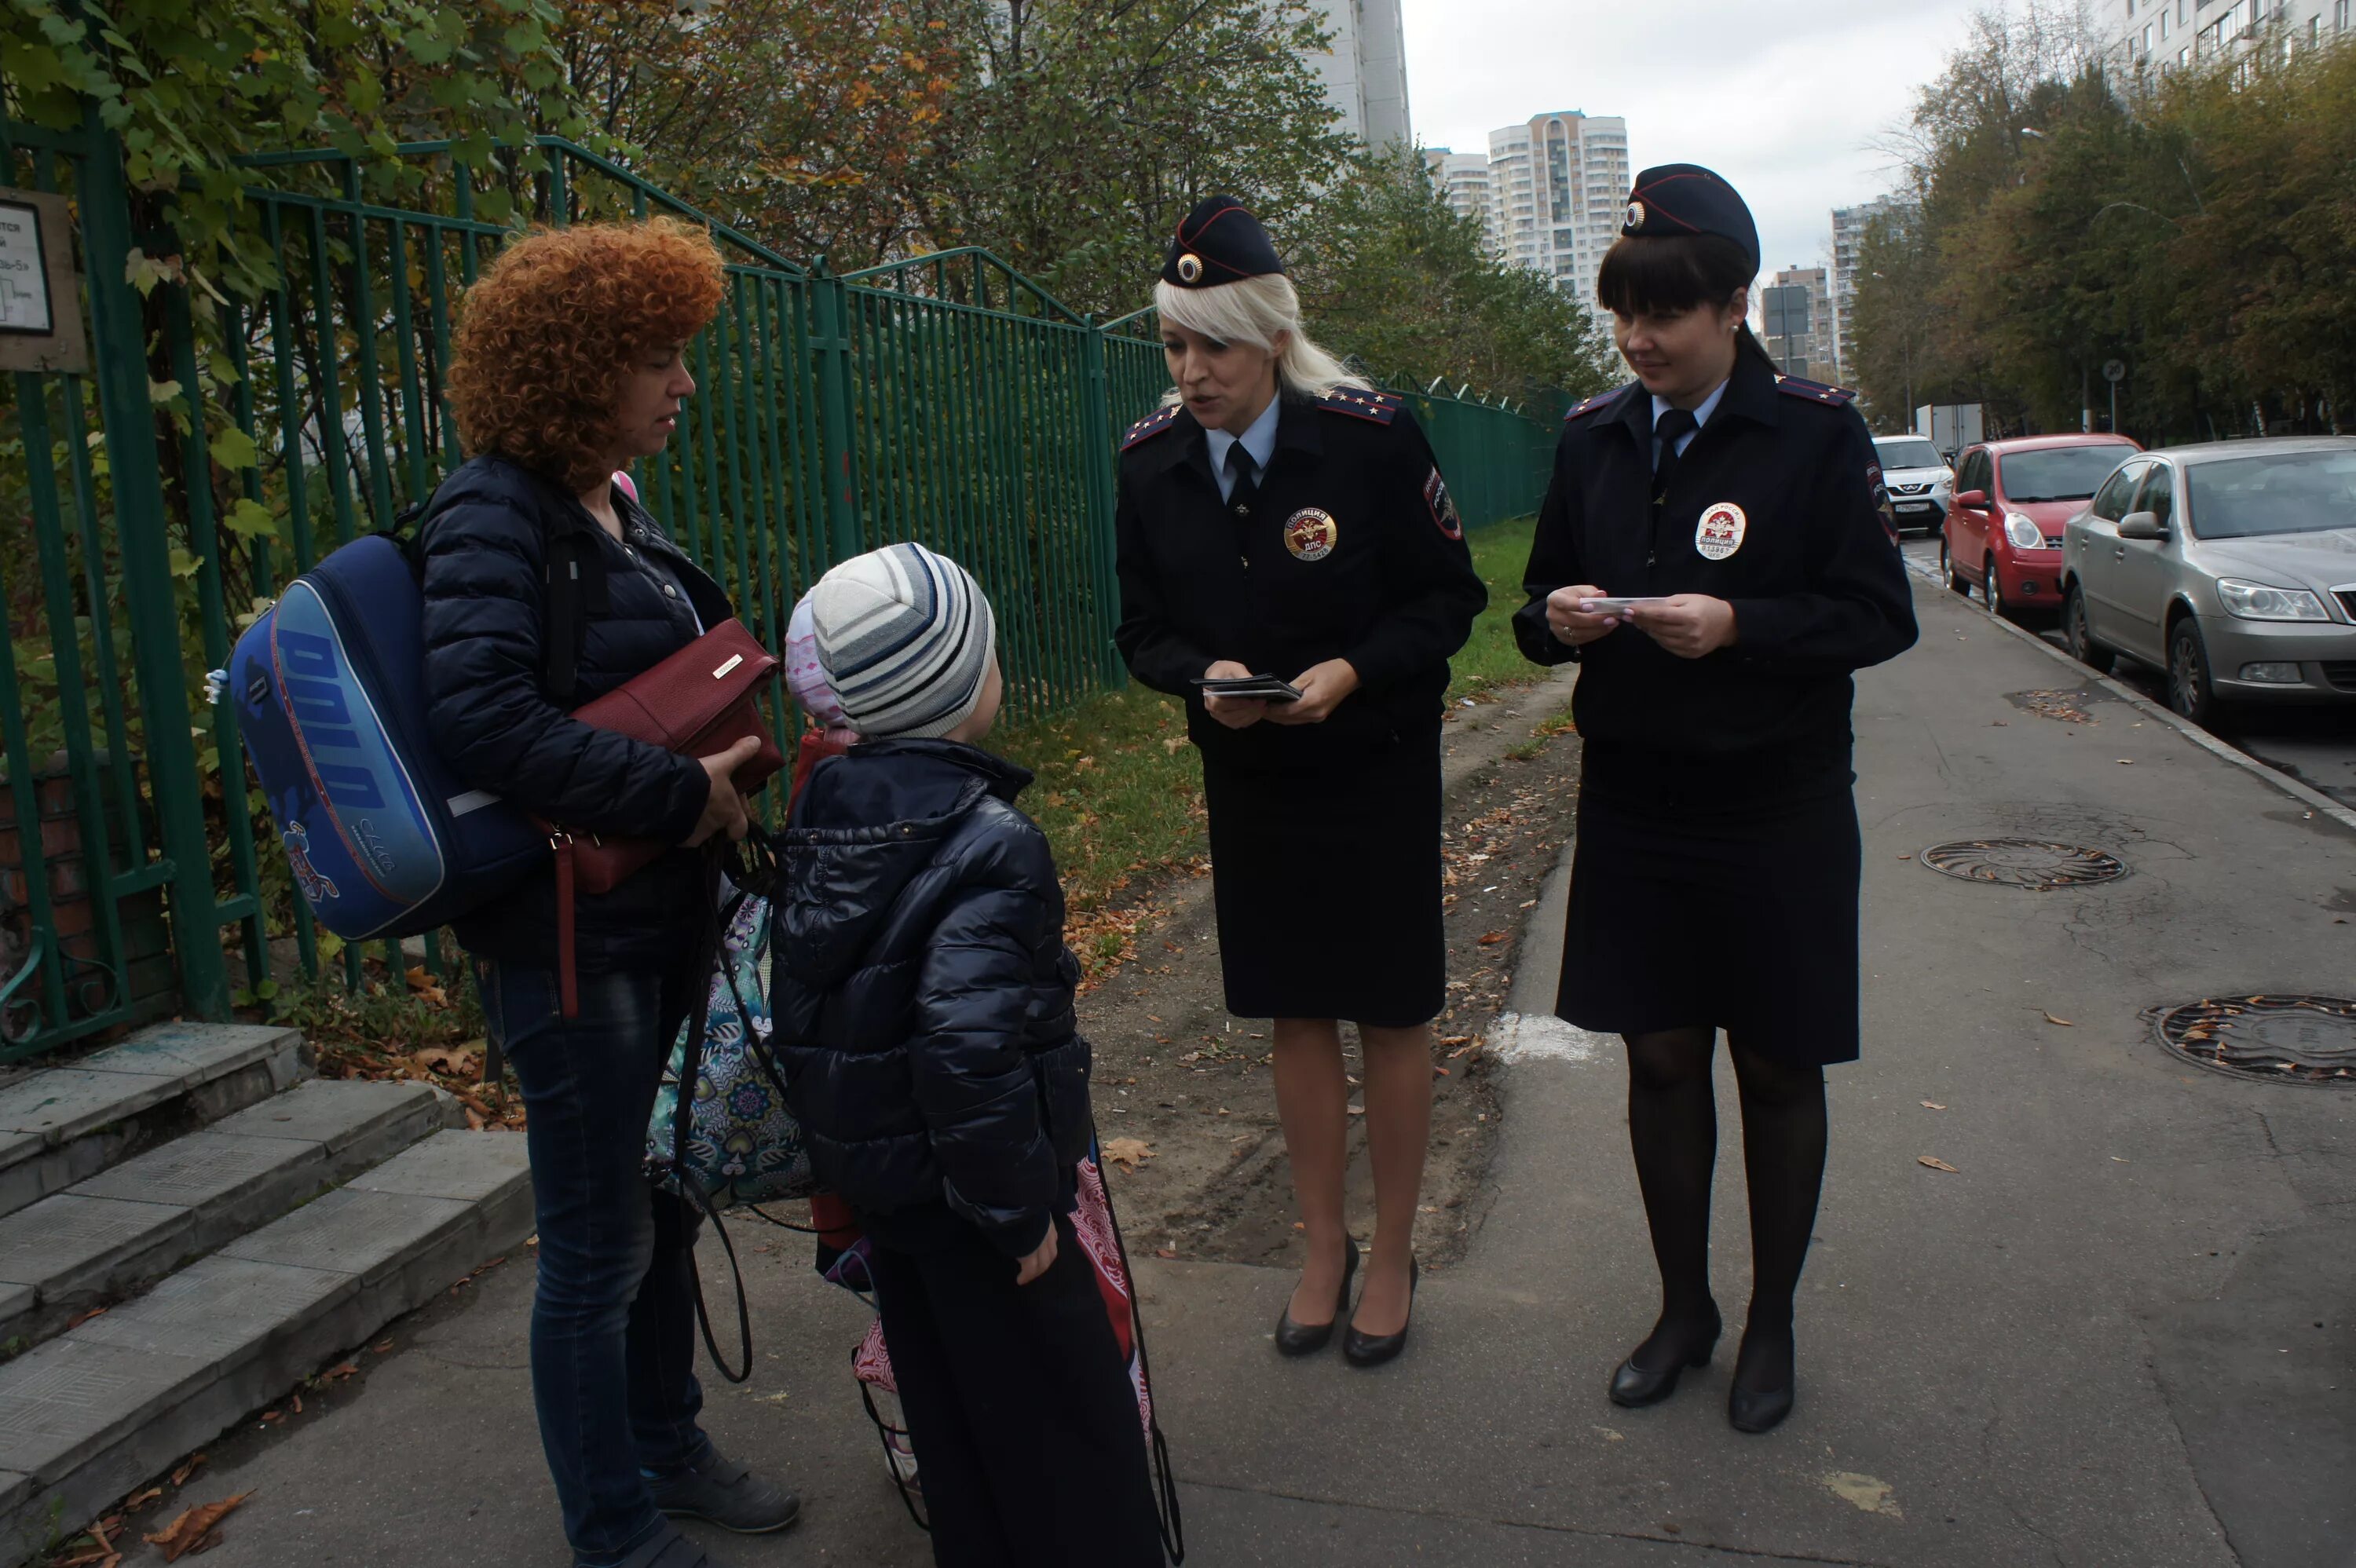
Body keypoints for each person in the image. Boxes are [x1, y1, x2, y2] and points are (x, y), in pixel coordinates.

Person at [1513, 165, 1919, 1433]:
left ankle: (1770, 1321)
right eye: (1624, 313)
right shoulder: (1592, 435)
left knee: (1781, 1067)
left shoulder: (1812, 433)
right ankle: (1682, 1307)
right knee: (1662, 1056)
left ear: (1735, 304)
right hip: (1637, 805)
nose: (1640, 339)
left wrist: (1741, 622)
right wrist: (1561, 620)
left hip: (1777, 805)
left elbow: (1876, 614)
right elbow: (1529, 611)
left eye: (1667, 314)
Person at [422, 218, 799, 1568]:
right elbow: (481, 716)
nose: (682, 384)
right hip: (570, 944)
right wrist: (675, 793)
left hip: (657, 915)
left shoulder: (611, 502)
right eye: (656, 359)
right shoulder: (494, 507)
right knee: (595, 1247)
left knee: (665, 1197)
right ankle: (615, 1529)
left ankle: (665, 1441)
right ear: (579, 369)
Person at [1113, 196, 1487, 1367]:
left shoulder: (1372, 440)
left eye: (1214, 345)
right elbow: (1139, 630)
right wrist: (1201, 673)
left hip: (1370, 767)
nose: (1193, 372)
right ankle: (1321, 1246)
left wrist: (1351, 669)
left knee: (1389, 1008)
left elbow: (1450, 600)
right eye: (1175, 346)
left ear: (1272, 336)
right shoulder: (1153, 459)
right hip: (1254, 776)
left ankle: (1390, 1252)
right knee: (1294, 1007)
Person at [773, 543, 1165, 1568]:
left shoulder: (827, 810)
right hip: (985, 1209)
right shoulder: (989, 841)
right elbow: (967, 1048)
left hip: (894, 1199)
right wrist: (1019, 1214)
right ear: (957, 681)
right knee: (1071, 1437)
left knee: (958, 1431)